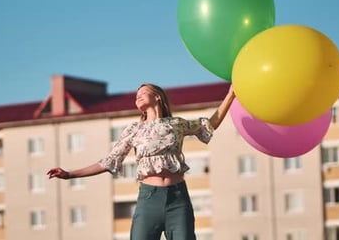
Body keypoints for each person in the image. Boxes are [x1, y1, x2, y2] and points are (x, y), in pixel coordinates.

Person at [47, 83, 236, 240]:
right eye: (136, 96)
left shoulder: (177, 124)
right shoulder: (134, 129)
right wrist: (70, 174)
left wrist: (230, 95)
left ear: (158, 97)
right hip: (148, 200)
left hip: (178, 200)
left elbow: (210, 124)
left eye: (143, 93)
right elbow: (109, 161)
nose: (137, 97)